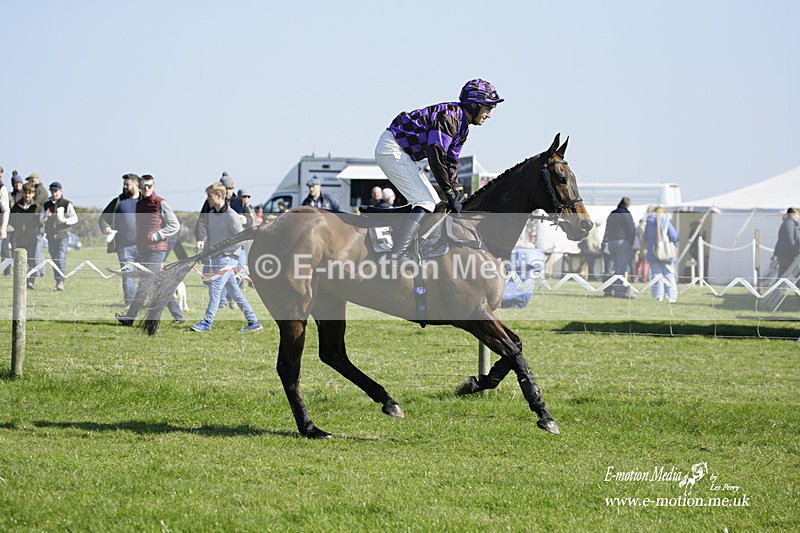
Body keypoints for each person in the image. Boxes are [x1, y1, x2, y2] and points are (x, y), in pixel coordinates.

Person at [374, 78, 503, 259]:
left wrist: (456, 190)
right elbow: (436, 157)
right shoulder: (450, 118)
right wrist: (449, 193)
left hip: (403, 153)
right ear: (474, 105)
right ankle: (397, 255)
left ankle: (405, 243)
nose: (489, 114)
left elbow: (450, 163)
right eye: (488, 108)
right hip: (392, 149)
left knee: (434, 205)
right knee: (425, 203)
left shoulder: (463, 127)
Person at [190, 182, 263, 333]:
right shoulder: (210, 215)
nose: (207, 199)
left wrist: (225, 251)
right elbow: (212, 237)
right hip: (216, 258)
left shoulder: (232, 216)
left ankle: (207, 322)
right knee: (235, 292)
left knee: (215, 289)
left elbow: (240, 239)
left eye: (209, 196)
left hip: (228, 258)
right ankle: (254, 321)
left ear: (218, 196)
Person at [116, 174, 185, 325]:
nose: (146, 189)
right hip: (144, 250)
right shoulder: (140, 204)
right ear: (139, 187)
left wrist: (158, 235)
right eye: (143, 186)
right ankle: (178, 316)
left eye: (149, 186)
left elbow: (175, 225)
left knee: (144, 284)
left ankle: (129, 318)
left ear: (154, 186)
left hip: (157, 250)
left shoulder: (161, 203)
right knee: (160, 284)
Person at [98, 173, 141, 305]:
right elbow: (103, 218)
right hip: (124, 246)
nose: (124, 187)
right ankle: (130, 303)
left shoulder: (146, 201)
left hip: (144, 246)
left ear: (136, 185)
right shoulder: (118, 201)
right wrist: (106, 228)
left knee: (146, 276)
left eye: (127, 184)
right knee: (127, 276)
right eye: (124, 184)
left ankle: (142, 301)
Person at [41, 181, 78, 291]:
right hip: (51, 236)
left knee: (61, 257)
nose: (54, 193)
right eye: (52, 191)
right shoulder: (46, 204)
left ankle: (61, 281)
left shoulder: (67, 204)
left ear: (61, 191)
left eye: (56, 191)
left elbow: (75, 218)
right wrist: (45, 217)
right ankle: (57, 280)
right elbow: (41, 219)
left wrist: (65, 220)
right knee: (54, 258)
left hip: (63, 235)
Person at [10, 183, 42, 289]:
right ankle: (21, 282)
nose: (27, 195)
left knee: (31, 260)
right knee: (20, 261)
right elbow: (12, 219)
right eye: (26, 193)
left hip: (32, 238)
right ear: (23, 193)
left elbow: (39, 222)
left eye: (30, 193)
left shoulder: (36, 207)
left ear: (33, 194)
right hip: (19, 237)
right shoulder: (17, 206)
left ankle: (31, 282)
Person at [603, 196, 636, 297]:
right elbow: (631, 229)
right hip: (622, 243)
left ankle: (609, 288)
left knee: (614, 268)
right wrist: (631, 242)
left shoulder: (612, 214)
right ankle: (619, 291)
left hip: (611, 243)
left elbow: (607, 228)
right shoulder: (625, 213)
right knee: (621, 268)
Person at [645, 206, 679, 302]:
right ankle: (671, 297)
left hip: (653, 250)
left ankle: (658, 296)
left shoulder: (649, 221)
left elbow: (646, 236)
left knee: (656, 275)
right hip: (666, 250)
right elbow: (674, 236)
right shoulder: (666, 220)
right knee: (669, 274)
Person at [772, 207, 800, 277]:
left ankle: (778, 287)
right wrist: (796, 251)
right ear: (793, 214)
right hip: (788, 254)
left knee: (783, 275)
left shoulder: (788, 223)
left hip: (785, 254)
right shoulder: (789, 224)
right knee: (794, 274)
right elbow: (790, 240)